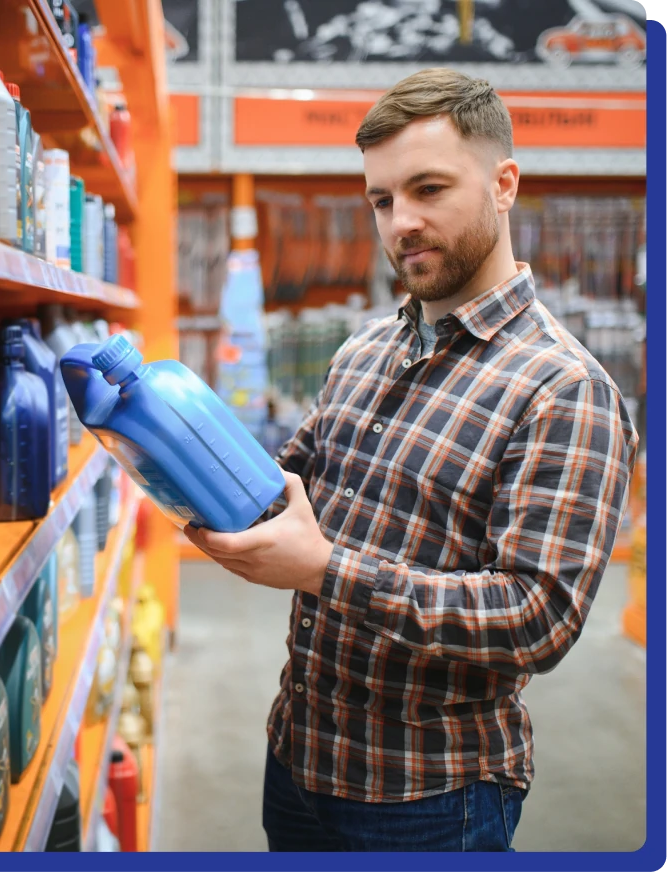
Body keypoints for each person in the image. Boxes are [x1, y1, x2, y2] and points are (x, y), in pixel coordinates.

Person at [183, 68, 638, 852]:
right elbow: (294, 486)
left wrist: (327, 570)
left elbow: (538, 618)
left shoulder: (565, 391)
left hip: (430, 797)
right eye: (383, 200)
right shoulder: (361, 350)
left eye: (429, 189)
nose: (402, 223)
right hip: (297, 760)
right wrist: (171, 452)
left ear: (505, 184)